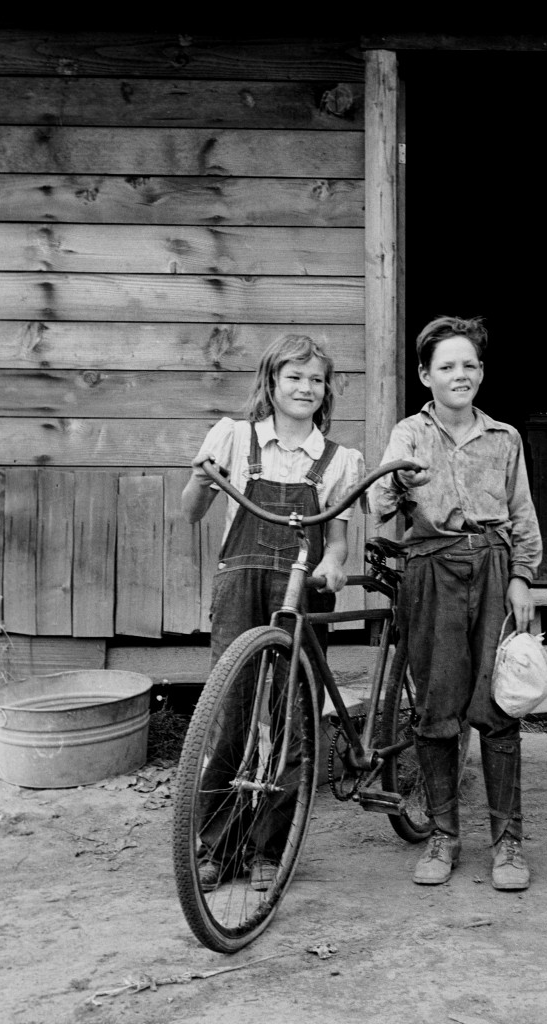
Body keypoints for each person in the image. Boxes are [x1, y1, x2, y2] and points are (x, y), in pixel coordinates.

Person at [181, 333, 364, 891]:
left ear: (326, 389)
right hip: (240, 585)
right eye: (294, 377)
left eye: (316, 379)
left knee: (293, 719)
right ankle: (218, 846)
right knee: (230, 713)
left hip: (300, 593)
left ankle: (270, 850)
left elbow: (336, 540)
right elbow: (190, 511)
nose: (305, 388)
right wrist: (198, 476)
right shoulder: (234, 439)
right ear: (271, 382)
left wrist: (333, 564)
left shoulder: (339, 459)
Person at [372, 315, 543, 891]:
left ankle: (508, 842)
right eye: (446, 365)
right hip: (431, 571)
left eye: (469, 364)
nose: (460, 374)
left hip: (494, 569)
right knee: (438, 708)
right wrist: (398, 482)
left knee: (499, 705)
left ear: (482, 372)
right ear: (426, 375)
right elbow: (379, 503)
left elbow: (522, 515)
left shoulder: (505, 438)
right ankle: (443, 834)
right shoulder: (408, 434)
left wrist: (521, 577)